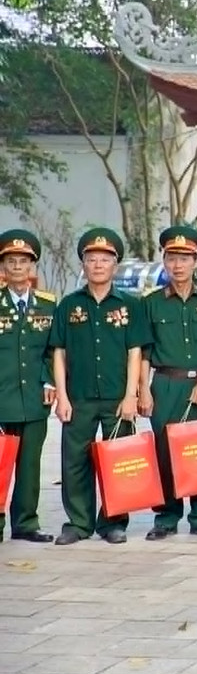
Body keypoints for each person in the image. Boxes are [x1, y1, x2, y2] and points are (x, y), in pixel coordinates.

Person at [50, 227, 150, 545]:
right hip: (78, 397)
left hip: (117, 397)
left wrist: (131, 395)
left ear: (115, 265)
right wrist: (62, 396)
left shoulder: (130, 305)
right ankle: (78, 523)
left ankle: (114, 522)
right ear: (83, 264)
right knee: (75, 461)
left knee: (120, 460)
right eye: (91, 259)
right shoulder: (69, 305)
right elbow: (58, 352)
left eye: (105, 259)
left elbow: (135, 352)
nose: (97, 265)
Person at [140, 225, 197, 540]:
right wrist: (143, 389)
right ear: (164, 261)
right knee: (164, 450)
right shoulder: (151, 302)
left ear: (196, 262)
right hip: (165, 384)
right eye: (172, 258)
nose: (178, 265)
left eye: (185, 259)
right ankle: (166, 516)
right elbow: (144, 350)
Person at [0, 229, 57, 543]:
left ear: (32, 266)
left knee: (29, 465)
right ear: (3, 267)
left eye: (23, 261)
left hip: (35, 398)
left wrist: (50, 379)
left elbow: (54, 349)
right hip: (3, 397)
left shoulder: (47, 306)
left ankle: (25, 523)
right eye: (11, 261)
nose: (17, 267)